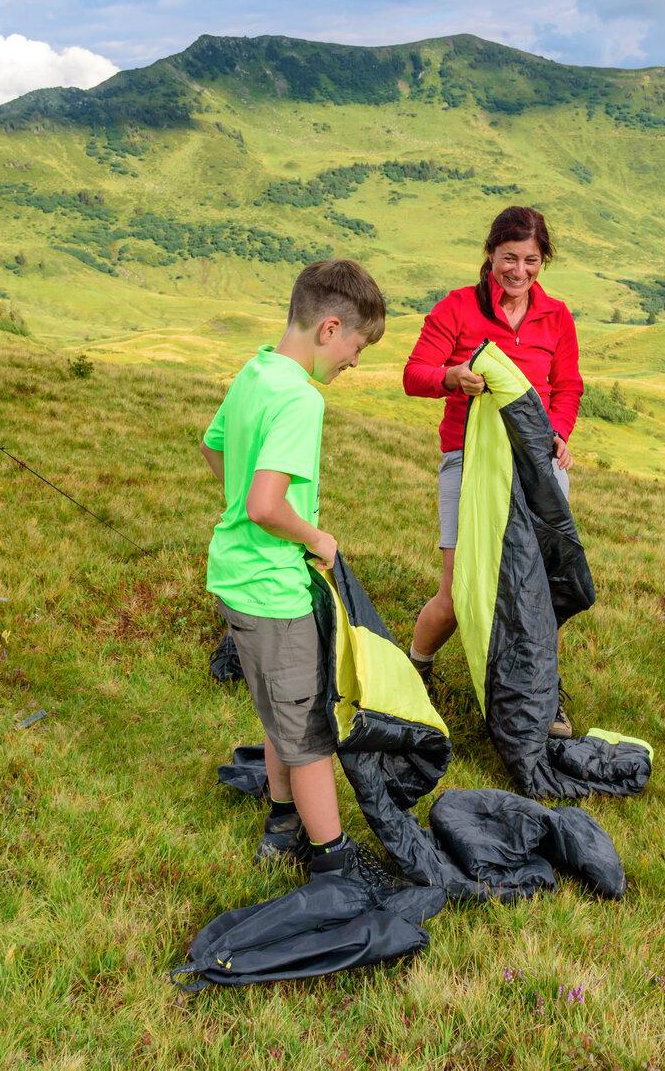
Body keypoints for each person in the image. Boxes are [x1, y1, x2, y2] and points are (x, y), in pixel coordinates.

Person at [201, 258, 389, 878]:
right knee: (308, 735)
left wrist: (245, 501)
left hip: (235, 578)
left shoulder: (257, 370)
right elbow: (264, 506)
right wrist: (318, 539)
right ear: (331, 329)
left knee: (277, 710)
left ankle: (282, 823)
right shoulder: (301, 399)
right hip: (273, 590)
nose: (355, 362)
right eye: (358, 346)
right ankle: (333, 857)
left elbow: (213, 446)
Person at [401, 206, 583, 732]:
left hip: (536, 464)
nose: (519, 271)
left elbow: (568, 387)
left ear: (542, 261)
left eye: (531, 260)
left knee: (539, 590)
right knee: (460, 590)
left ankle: (542, 692)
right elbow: (414, 374)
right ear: (490, 254)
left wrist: (560, 433)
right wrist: (451, 376)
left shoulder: (557, 316)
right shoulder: (458, 308)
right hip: (468, 459)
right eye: (509, 258)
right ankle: (417, 668)